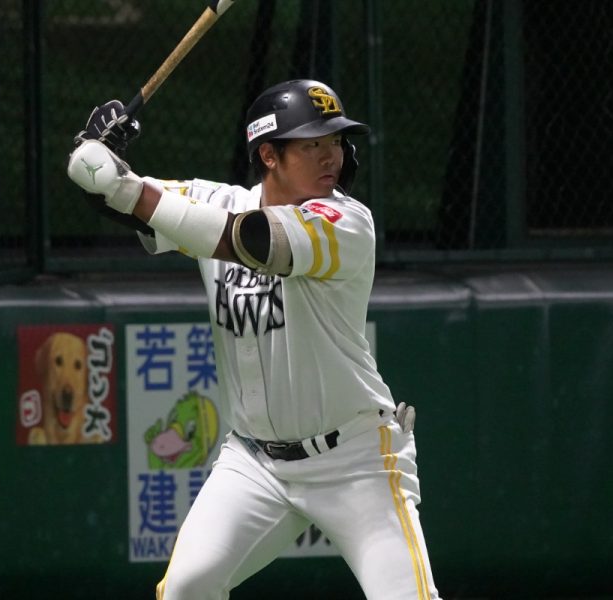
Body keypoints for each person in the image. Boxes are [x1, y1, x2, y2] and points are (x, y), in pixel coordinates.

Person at [67, 79, 439, 600]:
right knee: (185, 590)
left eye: (336, 141)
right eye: (312, 144)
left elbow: (250, 239)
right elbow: (130, 201)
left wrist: (123, 186)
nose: (331, 155)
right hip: (254, 464)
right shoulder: (215, 201)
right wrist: (96, 160)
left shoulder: (347, 221)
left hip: (355, 460)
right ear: (269, 155)